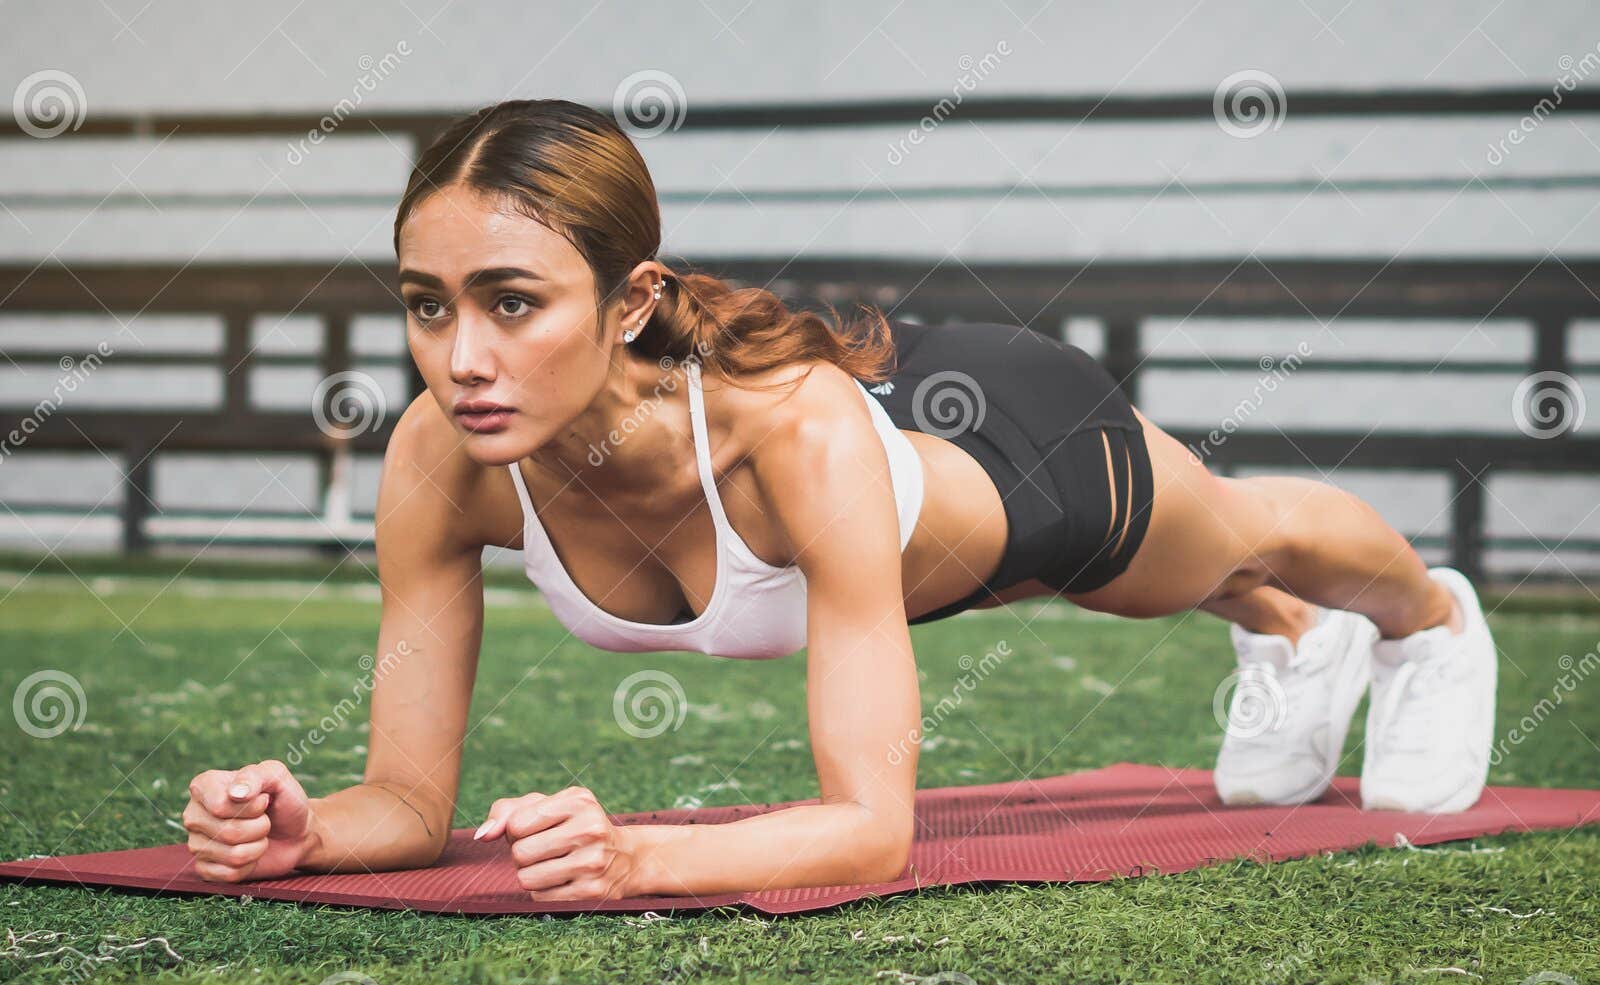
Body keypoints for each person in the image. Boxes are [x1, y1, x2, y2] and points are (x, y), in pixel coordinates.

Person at [182, 99, 1497, 901]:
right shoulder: (438, 459)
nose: (460, 357)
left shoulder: (784, 430)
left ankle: (1428, 623)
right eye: (427, 304)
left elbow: (871, 832)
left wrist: (638, 856)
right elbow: (409, 807)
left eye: (511, 302)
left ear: (632, 299)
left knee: (1219, 542)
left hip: (1020, 455)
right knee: (1226, 590)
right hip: (870, 464)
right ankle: (1287, 637)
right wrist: (304, 829)